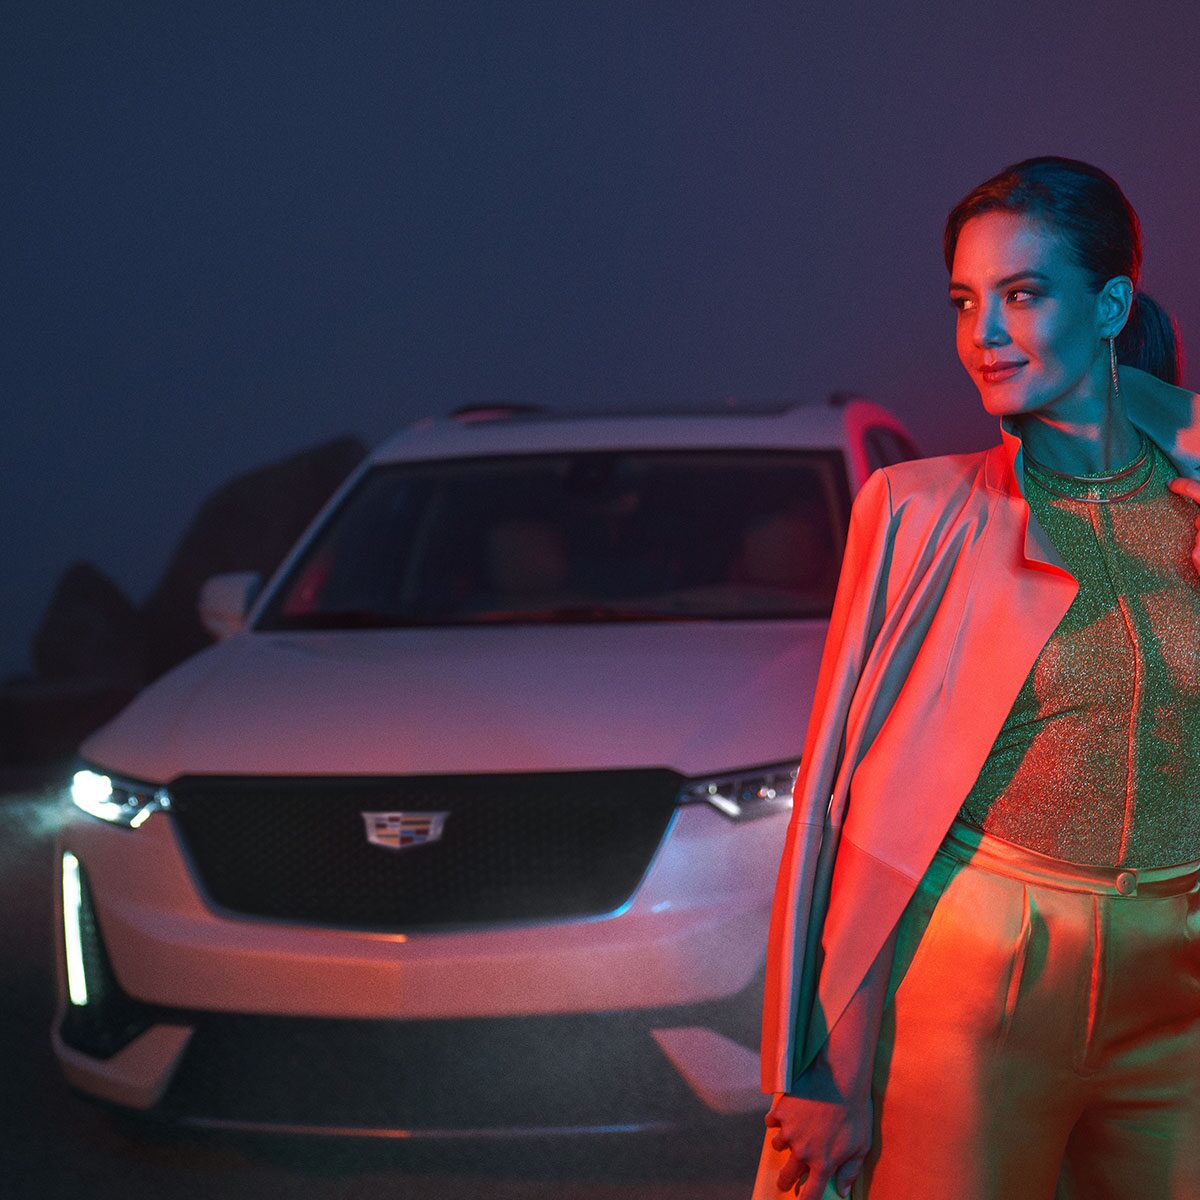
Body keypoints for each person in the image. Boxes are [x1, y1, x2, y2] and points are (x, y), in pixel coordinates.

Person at [751, 156, 1200, 1199]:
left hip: (1181, 994)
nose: (983, 333)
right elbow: (852, 811)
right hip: (976, 981)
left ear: (1112, 304)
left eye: (1023, 294)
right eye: (965, 302)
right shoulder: (916, 515)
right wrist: (824, 1065)